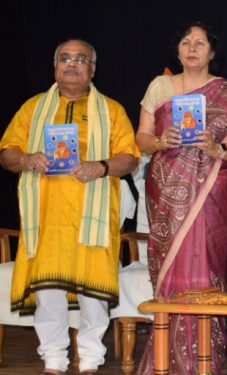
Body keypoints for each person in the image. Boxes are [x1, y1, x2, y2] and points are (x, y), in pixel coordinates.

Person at [135, 21, 227, 374]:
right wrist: (162, 142)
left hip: (212, 192)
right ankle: (165, 359)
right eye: (185, 42)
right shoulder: (160, 86)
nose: (192, 47)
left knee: (208, 270)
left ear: (212, 52)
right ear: (177, 50)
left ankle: (204, 359)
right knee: (169, 272)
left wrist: (217, 146)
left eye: (200, 42)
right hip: (167, 192)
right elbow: (142, 138)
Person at [0, 38, 139, 374]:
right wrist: (27, 158)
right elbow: (7, 153)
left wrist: (101, 167)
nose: (72, 64)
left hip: (91, 217)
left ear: (92, 69)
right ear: (54, 66)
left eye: (80, 59)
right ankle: (54, 358)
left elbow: (130, 158)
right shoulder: (32, 108)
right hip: (46, 218)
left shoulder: (112, 110)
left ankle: (91, 358)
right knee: (48, 289)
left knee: (93, 291)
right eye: (65, 58)